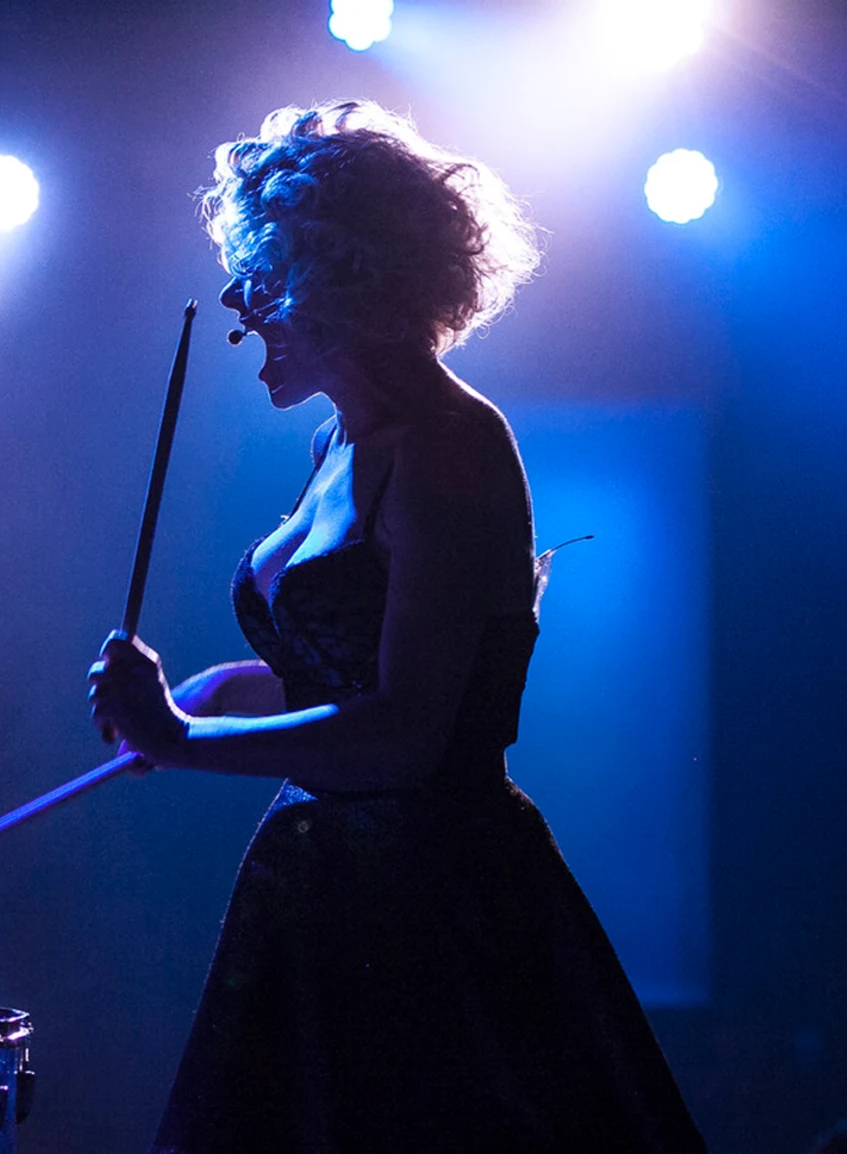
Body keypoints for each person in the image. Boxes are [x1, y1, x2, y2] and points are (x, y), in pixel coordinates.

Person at [87, 101, 706, 1153]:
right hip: (328, 890)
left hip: (432, 909)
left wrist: (182, 741)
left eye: (262, 278)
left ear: (341, 280)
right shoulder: (337, 440)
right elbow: (349, 673)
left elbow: (411, 732)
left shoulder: (450, 446)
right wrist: (224, 694)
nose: (237, 305)